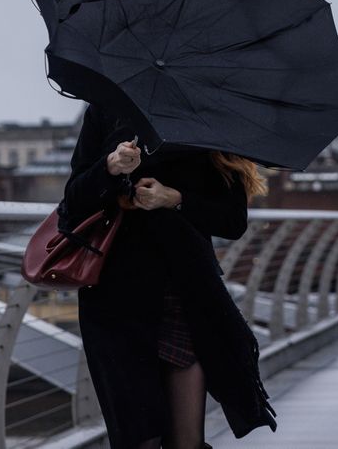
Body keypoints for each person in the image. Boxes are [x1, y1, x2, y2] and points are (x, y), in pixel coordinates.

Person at [57, 105, 277, 449]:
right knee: (138, 439)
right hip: (116, 299)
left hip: (185, 296)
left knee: (186, 441)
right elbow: (72, 203)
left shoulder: (210, 116)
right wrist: (111, 167)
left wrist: (173, 198)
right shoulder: (107, 109)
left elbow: (233, 221)